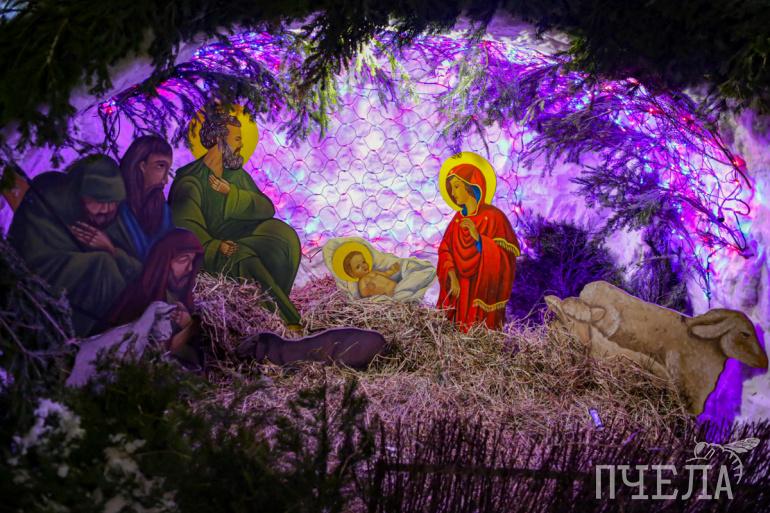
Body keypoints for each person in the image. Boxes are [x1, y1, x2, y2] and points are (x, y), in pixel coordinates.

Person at [168, 110, 302, 328]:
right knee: (243, 257)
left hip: (238, 239)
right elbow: (185, 228)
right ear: (220, 139)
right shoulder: (190, 181)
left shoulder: (234, 174)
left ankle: (273, 304)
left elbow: (266, 208)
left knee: (283, 236)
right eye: (237, 139)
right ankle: (283, 323)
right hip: (208, 254)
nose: (241, 145)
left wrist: (232, 193)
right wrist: (216, 246)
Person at [8, 155, 142, 336]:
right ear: (80, 193)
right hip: (41, 299)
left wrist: (112, 250)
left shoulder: (110, 220)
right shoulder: (48, 199)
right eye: (99, 201)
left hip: (95, 312)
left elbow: (139, 272)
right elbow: (32, 262)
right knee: (101, 264)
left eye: (113, 202)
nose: (106, 209)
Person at [437, 163, 520, 330]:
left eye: (456, 186)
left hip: (481, 288)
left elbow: (506, 258)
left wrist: (479, 239)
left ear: (471, 186)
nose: (452, 193)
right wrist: (452, 277)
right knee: (458, 330)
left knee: (478, 330)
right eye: (451, 188)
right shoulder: (457, 220)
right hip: (460, 289)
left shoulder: (494, 217)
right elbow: (445, 250)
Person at [106, 228, 204, 365]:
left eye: (192, 262)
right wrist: (190, 329)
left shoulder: (184, 299)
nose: (189, 268)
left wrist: (187, 323)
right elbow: (149, 351)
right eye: (183, 260)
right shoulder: (140, 296)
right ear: (164, 261)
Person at [115, 135, 175, 261]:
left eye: (168, 169)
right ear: (142, 166)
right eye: (160, 166)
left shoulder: (164, 211)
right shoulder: (113, 205)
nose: (165, 179)